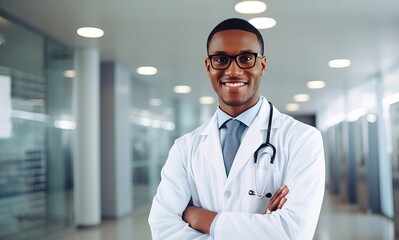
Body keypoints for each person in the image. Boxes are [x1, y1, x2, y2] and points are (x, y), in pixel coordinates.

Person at [148, 18, 325, 239]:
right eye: (221, 59)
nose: (233, 71)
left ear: (262, 65)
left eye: (246, 58)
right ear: (208, 66)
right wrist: (265, 226)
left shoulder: (302, 139)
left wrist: (199, 217)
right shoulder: (185, 148)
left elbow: (292, 232)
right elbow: (163, 228)